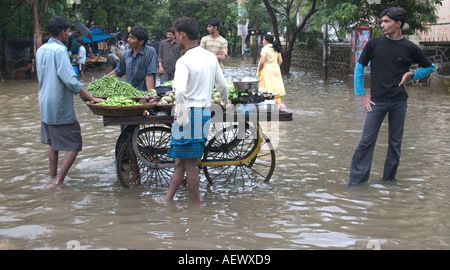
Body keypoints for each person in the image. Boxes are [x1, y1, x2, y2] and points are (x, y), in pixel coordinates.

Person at [347, 7, 436, 185]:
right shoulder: (374, 44)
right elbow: (359, 67)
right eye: (382, 21)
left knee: (395, 144)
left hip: (399, 102)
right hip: (376, 101)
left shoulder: (410, 47)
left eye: (386, 21)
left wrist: (411, 74)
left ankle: (389, 181)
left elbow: (430, 67)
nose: (382, 25)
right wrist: (362, 95)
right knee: (366, 141)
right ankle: (356, 182)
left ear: (398, 24)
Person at [164, 17, 229, 207]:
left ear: (182, 35)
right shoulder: (210, 57)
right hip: (203, 113)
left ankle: (196, 206)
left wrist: (182, 116)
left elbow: (181, 91)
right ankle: (167, 200)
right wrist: (225, 104)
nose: (175, 39)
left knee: (190, 164)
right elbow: (223, 86)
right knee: (181, 162)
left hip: (189, 114)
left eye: (176, 35)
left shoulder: (184, 61)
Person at [36, 16, 103, 188]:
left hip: (44, 103)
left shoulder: (41, 49)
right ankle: (58, 182)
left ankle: (52, 177)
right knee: (74, 143)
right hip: (59, 105)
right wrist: (91, 97)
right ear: (63, 32)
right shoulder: (59, 51)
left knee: (53, 143)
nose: (68, 34)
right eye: (67, 31)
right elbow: (70, 81)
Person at [106, 26, 157, 92]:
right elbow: (118, 71)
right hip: (128, 93)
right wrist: (102, 80)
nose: (128, 40)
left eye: (132, 38)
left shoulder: (150, 52)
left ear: (140, 42)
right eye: (129, 37)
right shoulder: (126, 54)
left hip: (142, 93)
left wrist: (151, 95)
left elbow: (149, 74)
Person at [256, 34, 286, 109]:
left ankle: (268, 105)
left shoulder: (265, 49)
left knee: (266, 87)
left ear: (267, 41)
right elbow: (281, 61)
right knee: (276, 86)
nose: (262, 41)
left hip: (267, 68)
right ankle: (279, 104)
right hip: (276, 68)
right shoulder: (276, 48)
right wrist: (275, 66)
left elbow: (262, 62)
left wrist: (259, 70)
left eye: (263, 40)